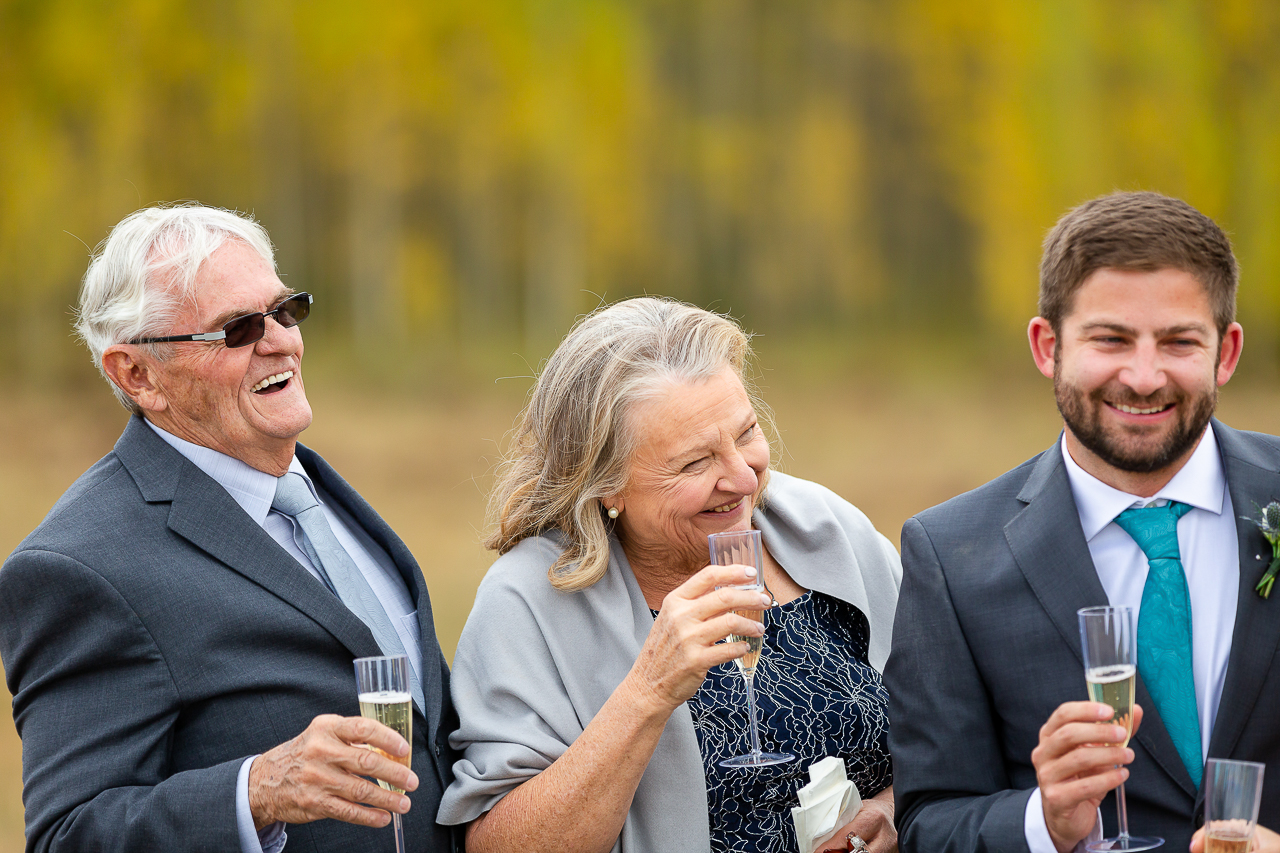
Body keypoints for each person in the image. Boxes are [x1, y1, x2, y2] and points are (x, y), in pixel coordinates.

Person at [0, 205, 459, 853]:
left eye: (285, 310)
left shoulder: (314, 487)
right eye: (237, 329)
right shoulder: (79, 566)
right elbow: (69, 835)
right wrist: (257, 791)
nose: (280, 341)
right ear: (137, 374)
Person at [885, 190, 1280, 852]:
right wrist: (1044, 820)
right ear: (1048, 346)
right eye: (1111, 338)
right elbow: (929, 823)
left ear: (1227, 352)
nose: (1145, 375)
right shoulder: (950, 557)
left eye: (1179, 340)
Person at [437, 297, 903, 853]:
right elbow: (497, 845)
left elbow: (954, 733)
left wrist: (893, 814)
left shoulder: (827, 531)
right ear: (605, 483)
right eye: (695, 463)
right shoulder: (530, 599)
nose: (742, 478)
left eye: (747, 433)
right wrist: (648, 693)